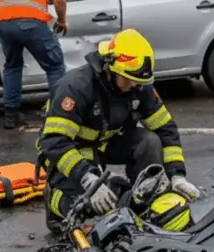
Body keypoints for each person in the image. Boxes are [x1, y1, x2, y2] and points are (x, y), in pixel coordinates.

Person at [37, 28, 200, 234]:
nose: (134, 86)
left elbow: (165, 128)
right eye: (128, 80)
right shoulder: (76, 87)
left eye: (138, 82)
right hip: (74, 150)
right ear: (109, 69)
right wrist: (88, 178)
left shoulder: (137, 84)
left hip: (108, 142)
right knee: (90, 203)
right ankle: (55, 201)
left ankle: (145, 201)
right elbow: (54, 141)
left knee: (149, 141)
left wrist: (177, 175)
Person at [0, 0, 68, 129]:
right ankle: (60, 112)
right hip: (31, 22)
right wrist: (62, 21)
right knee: (55, 66)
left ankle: (11, 115)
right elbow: (59, 1)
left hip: (2, 23)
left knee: (12, 66)